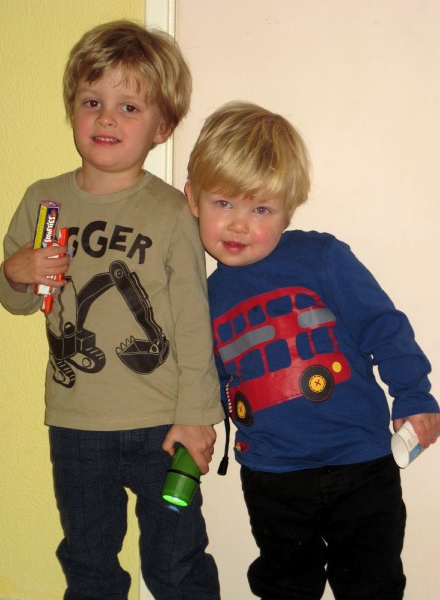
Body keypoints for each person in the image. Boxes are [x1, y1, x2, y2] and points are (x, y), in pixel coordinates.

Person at [0, 20, 224, 600]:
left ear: (162, 128)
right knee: (89, 563)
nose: (105, 119)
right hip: (76, 425)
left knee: (176, 563)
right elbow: (17, 302)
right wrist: (15, 272)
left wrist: (198, 415)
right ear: (72, 108)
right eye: (91, 102)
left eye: (128, 107)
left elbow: (193, 320)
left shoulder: (171, 213)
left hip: (163, 424)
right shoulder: (43, 200)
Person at [185, 101, 440, 600]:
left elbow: (384, 327)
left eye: (261, 209)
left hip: (361, 462)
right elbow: (204, 377)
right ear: (193, 199)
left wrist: (413, 394)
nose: (239, 225)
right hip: (272, 473)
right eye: (224, 203)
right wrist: (191, 422)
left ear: (290, 208)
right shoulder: (203, 295)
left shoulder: (322, 258)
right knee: (284, 585)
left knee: (373, 583)